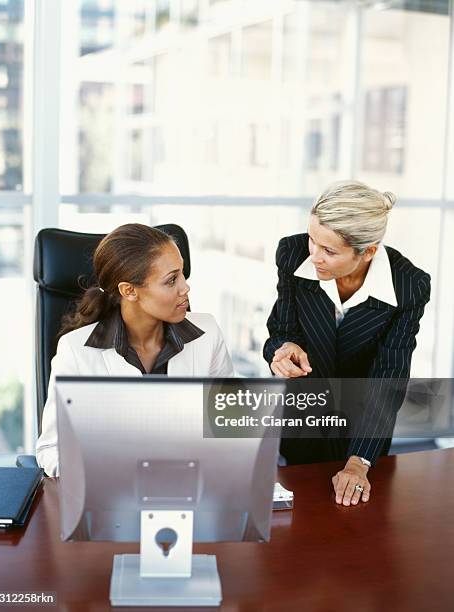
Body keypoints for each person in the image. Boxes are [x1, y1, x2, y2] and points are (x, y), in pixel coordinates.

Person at [263, 180, 430, 507]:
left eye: (329, 250)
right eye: (312, 240)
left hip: (364, 431)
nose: (313, 256)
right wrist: (282, 351)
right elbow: (280, 332)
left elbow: (388, 378)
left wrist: (360, 460)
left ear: (368, 251)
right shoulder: (292, 254)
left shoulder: (408, 286)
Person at [36, 223, 234, 476]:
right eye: (171, 280)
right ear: (129, 290)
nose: (185, 288)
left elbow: (229, 428)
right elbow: (52, 449)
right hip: (114, 497)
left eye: (183, 274)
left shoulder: (207, 333)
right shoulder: (76, 352)